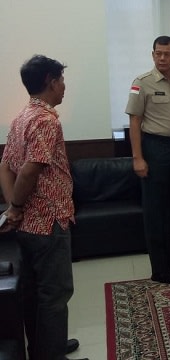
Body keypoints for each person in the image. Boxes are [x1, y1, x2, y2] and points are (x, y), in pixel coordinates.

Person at [0, 55, 87, 360]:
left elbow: (5, 168)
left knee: (35, 294)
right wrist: (15, 207)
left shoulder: (21, 117)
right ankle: (51, 355)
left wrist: (15, 211)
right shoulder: (46, 120)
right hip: (49, 223)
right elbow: (29, 170)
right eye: (62, 80)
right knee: (55, 294)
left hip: (28, 225)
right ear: (51, 81)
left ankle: (45, 347)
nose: (64, 87)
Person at [125, 36, 170, 284]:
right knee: (155, 212)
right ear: (153, 54)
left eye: (167, 54)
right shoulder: (142, 83)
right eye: (158, 53)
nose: (162, 58)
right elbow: (134, 122)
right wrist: (137, 158)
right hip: (155, 149)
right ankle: (159, 270)